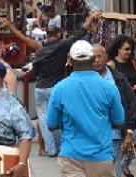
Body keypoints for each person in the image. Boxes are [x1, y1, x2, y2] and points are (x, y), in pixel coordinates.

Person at [22, 13, 98, 158]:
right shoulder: (62, 46)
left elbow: (35, 72)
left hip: (40, 88)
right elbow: (79, 34)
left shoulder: (40, 52)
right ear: (58, 34)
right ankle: (59, 146)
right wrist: (89, 19)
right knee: (57, 117)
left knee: (44, 120)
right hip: (54, 87)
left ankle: (52, 149)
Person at [46, 41, 124, 177]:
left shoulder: (59, 88)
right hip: (101, 156)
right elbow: (119, 121)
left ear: (70, 61)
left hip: (71, 155)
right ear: (93, 59)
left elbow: (51, 125)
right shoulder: (109, 88)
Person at [93, 44, 136, 177]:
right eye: (92, 57)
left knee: (114, 172)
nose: (96, 60)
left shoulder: (118, 78)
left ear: (105, 57)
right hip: (92, 138)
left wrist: (129, 131)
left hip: (114, 136)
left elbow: (131, 103)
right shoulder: (84, 80)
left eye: (99, 56)